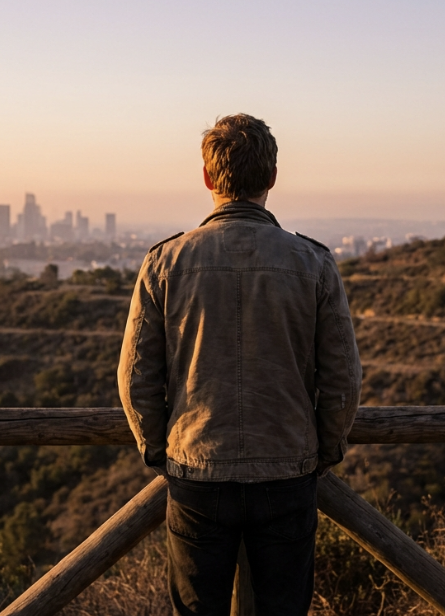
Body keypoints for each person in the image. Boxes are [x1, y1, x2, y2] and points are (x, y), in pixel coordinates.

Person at [118, 113, 362, 616]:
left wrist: (159, 450)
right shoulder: (313, 263)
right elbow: (342, 379)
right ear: (272, 177)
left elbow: (135, 377)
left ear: (208, 178)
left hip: (196, 473)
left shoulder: (165, 262)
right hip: (287, 472)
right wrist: (326, 448)